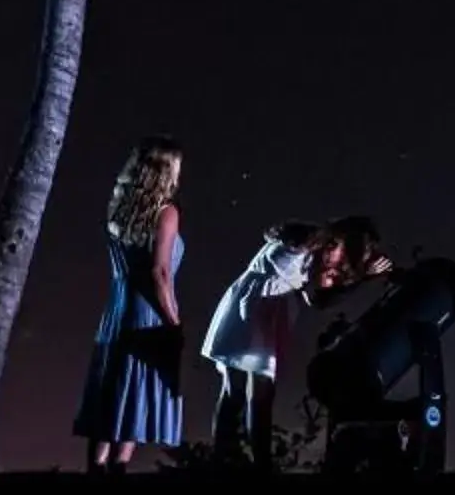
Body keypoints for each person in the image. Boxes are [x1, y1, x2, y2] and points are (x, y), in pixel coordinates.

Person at [74, 136, 187, 473]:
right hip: (146, 312)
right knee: (134, 395)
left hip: (115, 310)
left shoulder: (118, 209)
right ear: (164, 172)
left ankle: (96, 468)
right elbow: (160, 272)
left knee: (111, 395)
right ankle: (119, 468)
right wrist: (173, 319)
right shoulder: (166, 213)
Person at [201, 220, 325, 469]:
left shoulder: (280, 251)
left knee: (236, 390)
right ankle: (257, 461)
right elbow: (311, 294)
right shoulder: (293, 255)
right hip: (257, 312)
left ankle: (224, 456)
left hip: (249, 309)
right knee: (257, 392)